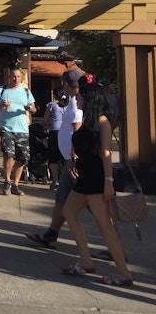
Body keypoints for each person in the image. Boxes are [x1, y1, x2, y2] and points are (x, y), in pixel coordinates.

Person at [61, 78, 133, 287]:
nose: (78, 99)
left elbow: (106, 153)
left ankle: (123, 273)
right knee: (69, 212)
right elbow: (85, 149)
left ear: (89, 99)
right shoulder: (87, 121)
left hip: (97, 179)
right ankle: (85, 260)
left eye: (81, 96)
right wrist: (73, 160)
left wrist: (109, 182)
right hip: (85, 177)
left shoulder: (102, 122)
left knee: (105, 226)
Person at [24, 69, 85, 249]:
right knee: (62, 197)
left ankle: (109, 246)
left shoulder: (75, 103)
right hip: (69, 159)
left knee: (92, 204)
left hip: (73, 160)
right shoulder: (75, 101)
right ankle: (51, 234)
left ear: (66, 84)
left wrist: (75, 155)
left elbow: (78, 129)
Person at [0, 68, 36, 196]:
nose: (16, 79)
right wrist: (1, 106)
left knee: (22, 158)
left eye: (18, 77)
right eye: (13, 77)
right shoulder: (1, 90)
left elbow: (34, 109)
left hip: (22, 128)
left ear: (21, 78)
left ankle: (16, 184)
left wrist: (30, 109)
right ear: (9, 77)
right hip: (6, 128)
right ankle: (7, 182)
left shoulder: (26, 92)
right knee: (8, 154)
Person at [42, 89, 68, 189]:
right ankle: (66, 179)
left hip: (55, 131)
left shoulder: (51, 105)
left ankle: (55, 180)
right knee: (65, 156)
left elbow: (44, 120)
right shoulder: (69, 105)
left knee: (53, 156)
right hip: (66, 131)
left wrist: (45, 125)